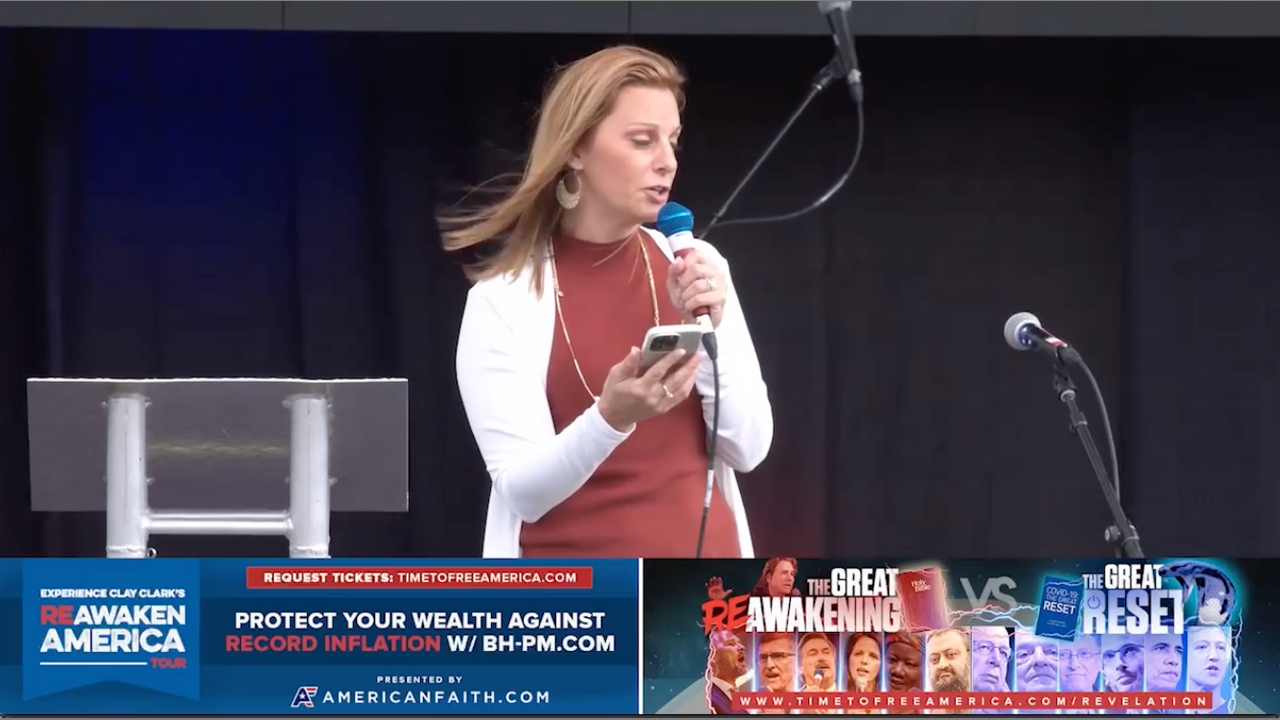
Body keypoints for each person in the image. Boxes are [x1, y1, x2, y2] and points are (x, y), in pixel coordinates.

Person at [442, 45, 774, 558]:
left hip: (703, 587)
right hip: (577, 595)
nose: (667, 161)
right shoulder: (503, 301)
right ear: (576, 149)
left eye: (673, 141)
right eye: (642, 140)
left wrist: (710, 332)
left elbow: (748, 448)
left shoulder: (697, 263)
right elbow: (523, 492)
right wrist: (610, 418)